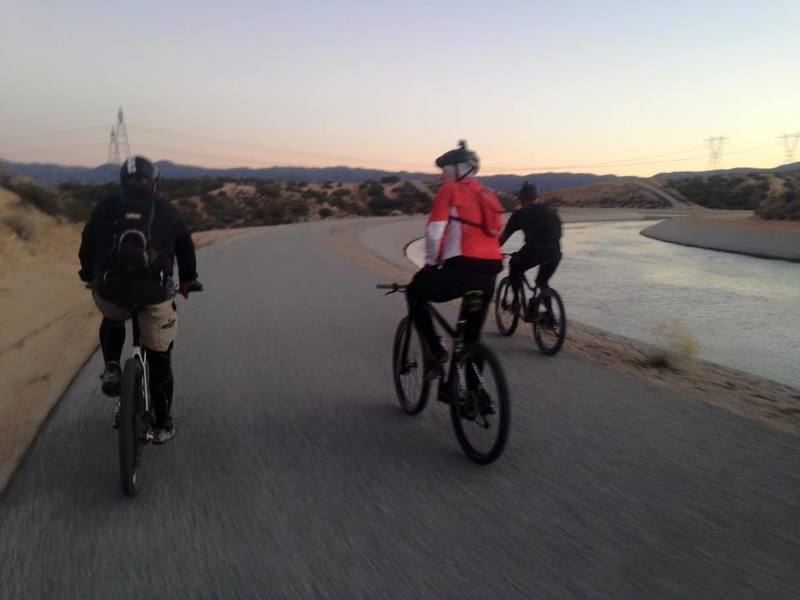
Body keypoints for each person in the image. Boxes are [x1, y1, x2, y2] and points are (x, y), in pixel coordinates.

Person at [79, 156, 201, 443]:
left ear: (122, 181)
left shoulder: (107, 206)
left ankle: (111, 365)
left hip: (111, 291)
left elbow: (88, 243)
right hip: (154, 294)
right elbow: (186, 249)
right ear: (155, 183)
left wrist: (88, 274)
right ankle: (161, 425)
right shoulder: (168, 210)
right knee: (160, 359)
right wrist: (187, 279)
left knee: (112, 316)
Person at [406, 141, 504, 379]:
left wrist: (431, 263)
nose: (442, 176)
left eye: (445, 170)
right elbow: (496, 232)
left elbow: (434, 231)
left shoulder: (450, 190)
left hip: (462, 269)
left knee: (415, 292)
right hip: (490, 272)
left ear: (460, 169)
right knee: (471, 337)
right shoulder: (488, 195)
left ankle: (436, 351)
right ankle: (473, 396)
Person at [499, 180, 562, 302]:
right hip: (555, 253)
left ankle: (516, 301)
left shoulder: (519, 214)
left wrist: (493, 250)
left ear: (521, 199)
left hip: (534, 252)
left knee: (514, 264)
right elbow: (559, 234)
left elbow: (505, 236)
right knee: (542, 282)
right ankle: (550, 317)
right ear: (536, 197)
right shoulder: (550, 211)